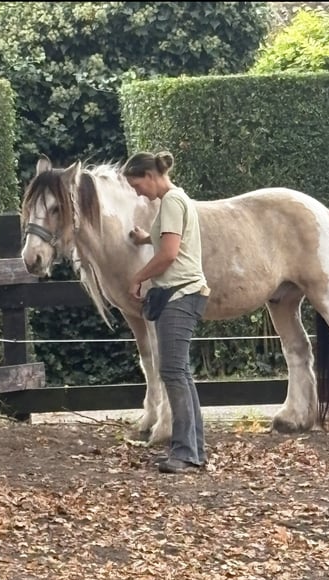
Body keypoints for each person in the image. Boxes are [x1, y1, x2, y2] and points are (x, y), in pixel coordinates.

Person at [122, 150, 210, 474]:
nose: (138, 193)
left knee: (173, 372)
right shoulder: (176, 199)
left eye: (137, 185)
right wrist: (147, 238)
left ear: (149, 175)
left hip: (179, 295)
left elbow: (170, 254)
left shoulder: (171, 202)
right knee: (180, 373)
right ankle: (193, 450)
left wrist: (138, 276)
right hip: (185, 293)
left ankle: (185, 452)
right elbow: (172, 242)